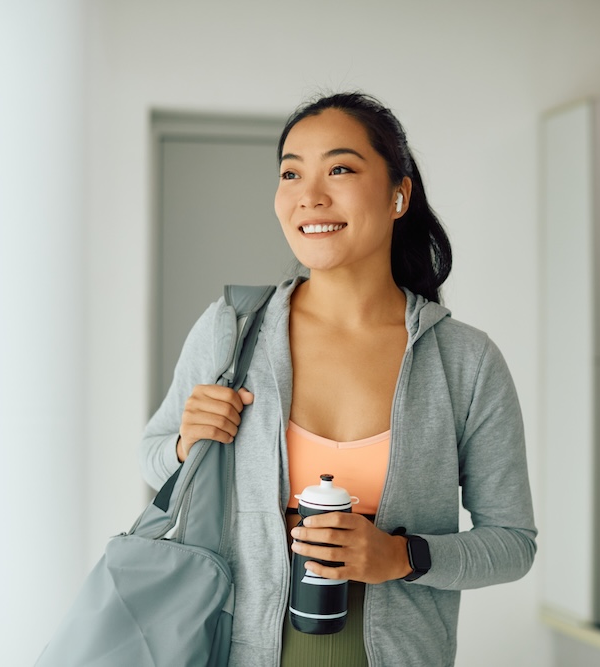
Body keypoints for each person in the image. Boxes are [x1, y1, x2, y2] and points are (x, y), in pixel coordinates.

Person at [139, 92, 536, 667]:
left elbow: (512, 543)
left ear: (399, 195)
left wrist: (403, 557)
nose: (310, 196)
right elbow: (154, 460)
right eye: (291, 173)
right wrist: (184, 442)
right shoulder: (231, 329)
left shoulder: (464, 360)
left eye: (341, 168)